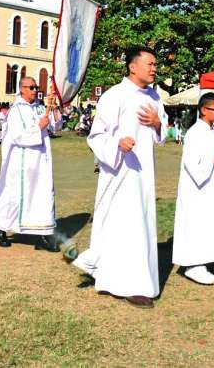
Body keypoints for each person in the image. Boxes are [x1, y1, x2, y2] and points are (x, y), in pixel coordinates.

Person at [73, 47, 168, 309]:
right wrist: (117, 143)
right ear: (132, 67)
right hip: (120, 171)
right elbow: (96, 135)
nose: (154, 68)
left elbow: (163, 134)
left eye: (155, 64)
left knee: (141, 223)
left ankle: (135, 279)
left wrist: (158, 123)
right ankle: (126, 283)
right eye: (149, 64)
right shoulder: (114, 96)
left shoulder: (155, 98)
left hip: (144, 173)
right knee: (123, 224)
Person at [0, 77, 62, 251]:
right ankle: (1, 229)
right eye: (31, 87)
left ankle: (44, 234)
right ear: (22, 89)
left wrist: (54, 109)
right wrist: (39, 127)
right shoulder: (15, 111)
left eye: (36, 87)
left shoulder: (41, 107)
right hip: (22, 161)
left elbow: (56, 127)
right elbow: (19, 136)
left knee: (43, 196)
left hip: (41, 160)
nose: (35, 90)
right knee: (17, 198)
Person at [172, 93, 214, 285]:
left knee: (210, 222)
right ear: (204, 110)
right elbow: (192, 162)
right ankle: (193, 265)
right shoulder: (195, 132)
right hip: (197, 188)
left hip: (212, 185)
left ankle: (203, 262)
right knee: (196, 222)